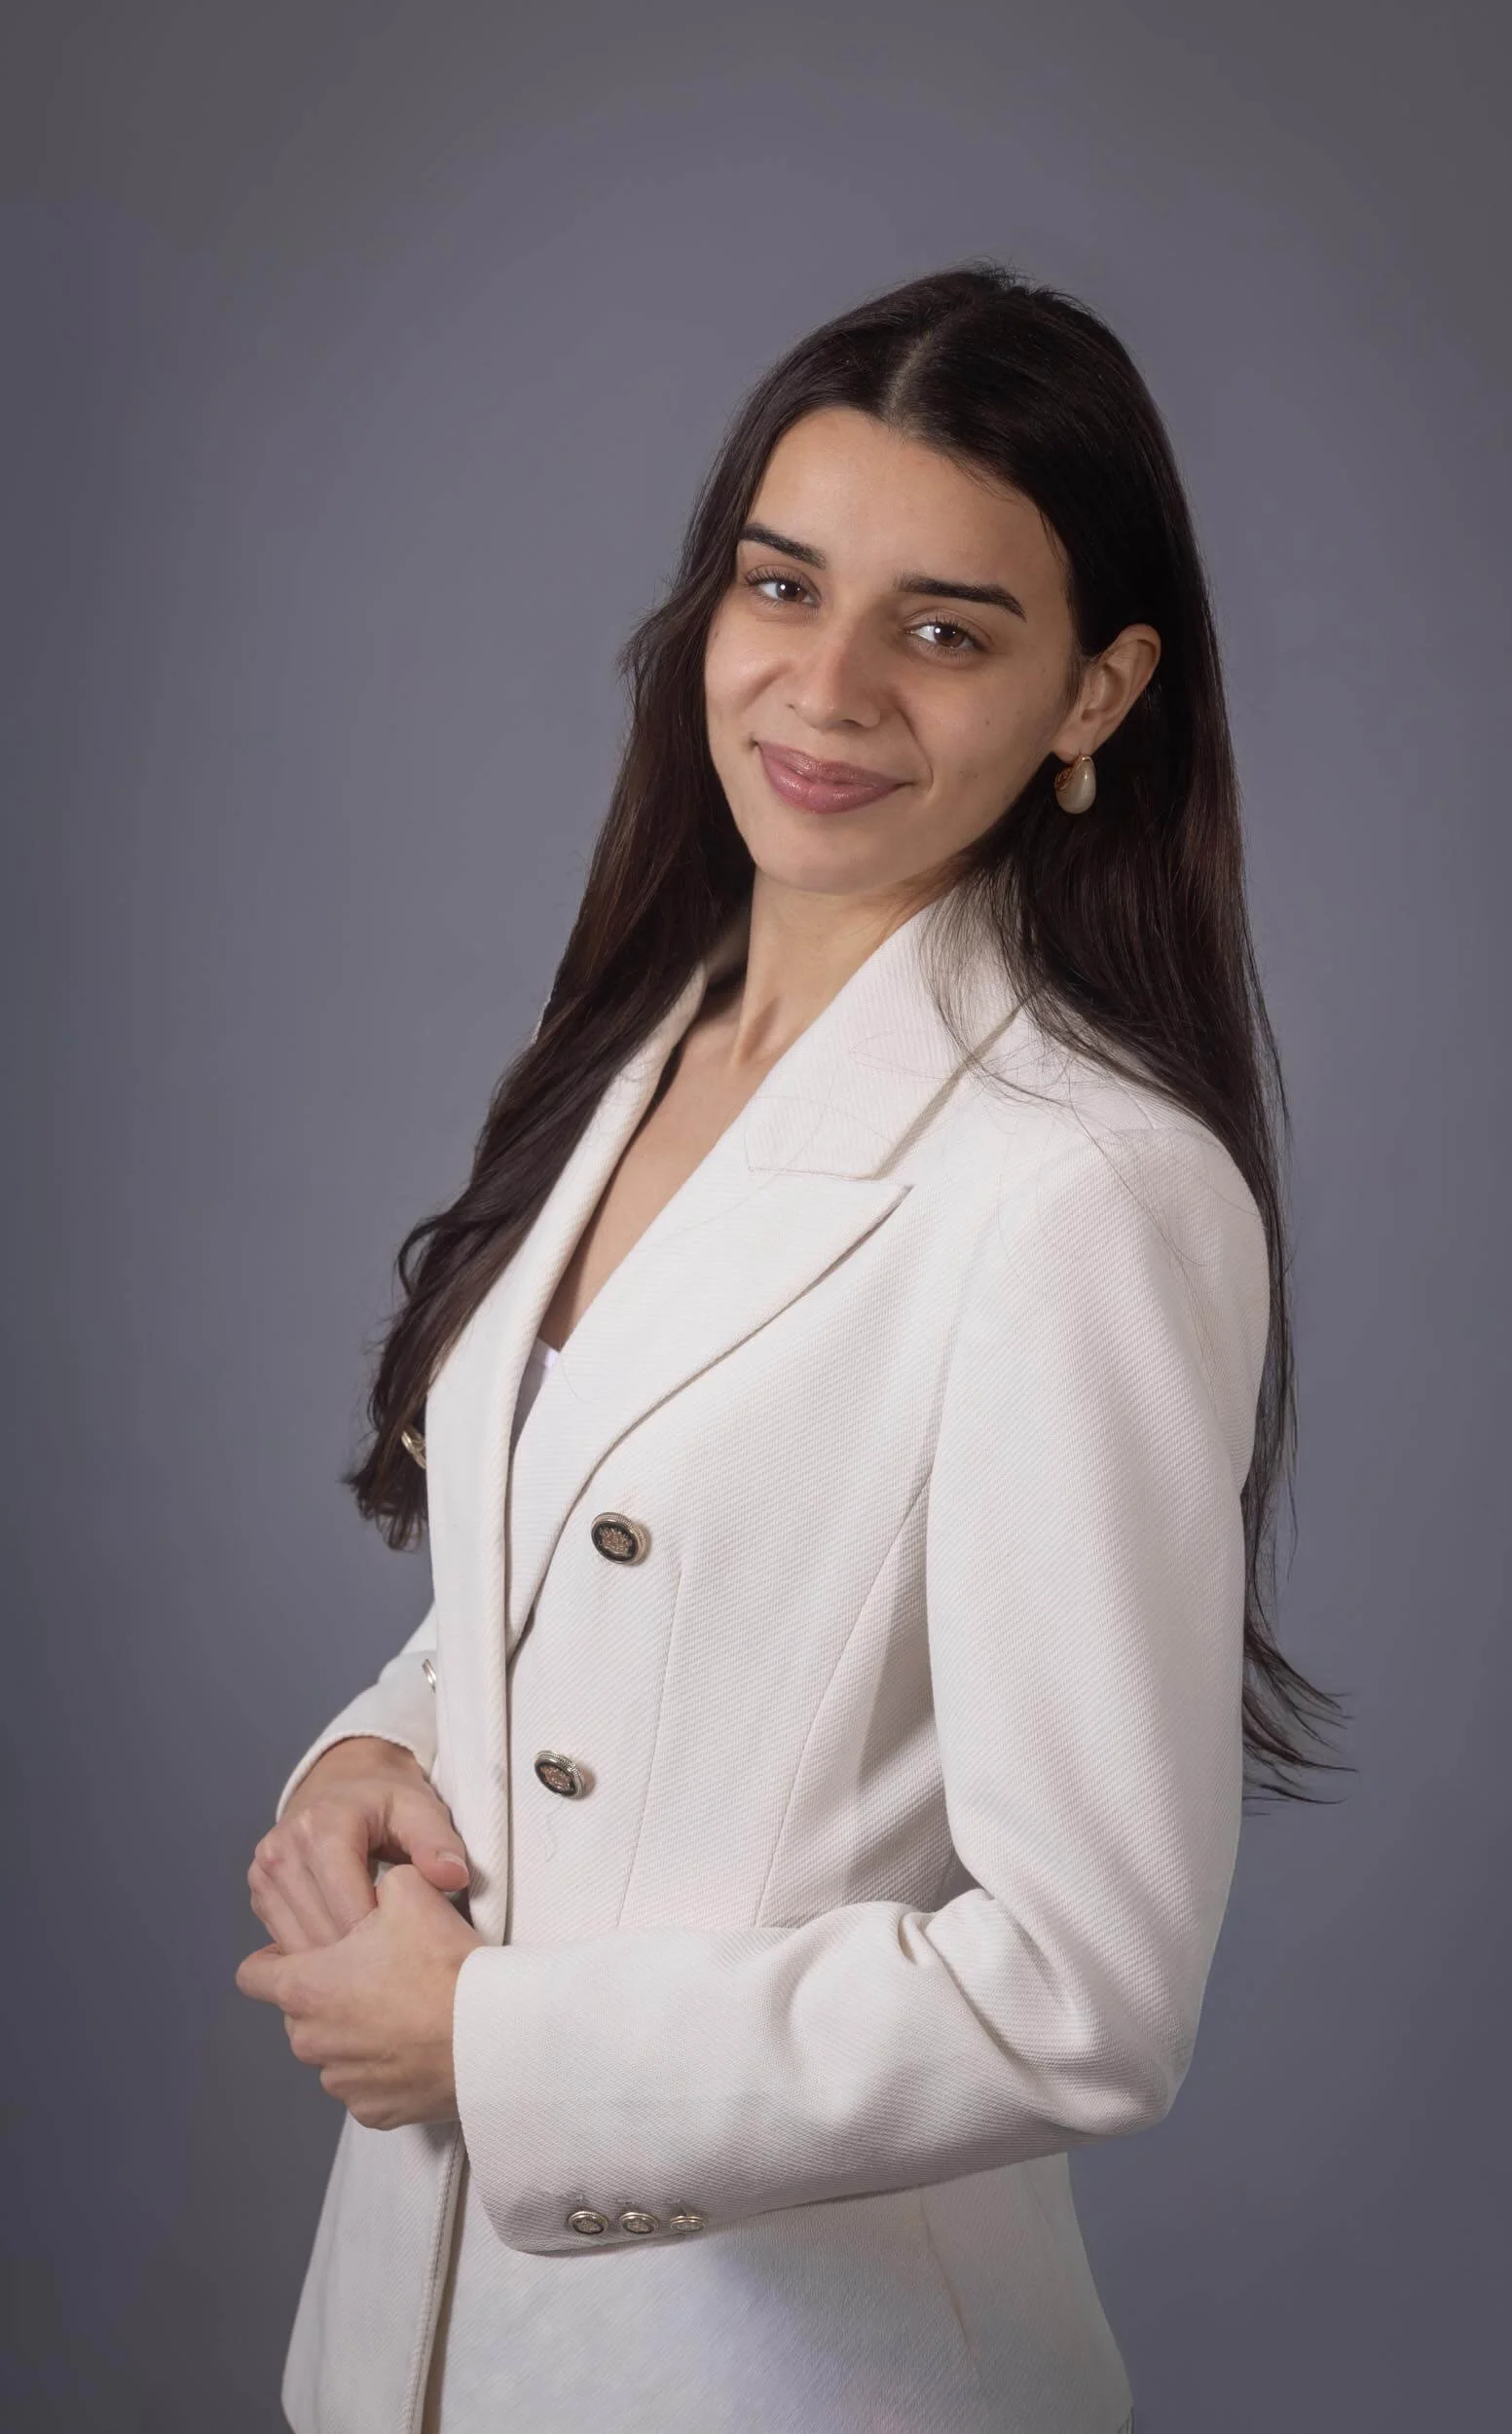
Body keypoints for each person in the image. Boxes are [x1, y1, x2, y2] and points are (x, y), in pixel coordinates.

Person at [236, 261, 1343, 2434]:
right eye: (779, 583)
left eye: (944, 627)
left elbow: (1084, 1989)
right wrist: (368, 1759)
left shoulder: (1080, 1190)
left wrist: (493, 2049)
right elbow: (583, 1590)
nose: (823, 687)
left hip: (790, 2377)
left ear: (1095, 692)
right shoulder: (640, 1049)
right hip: (416, 2340)